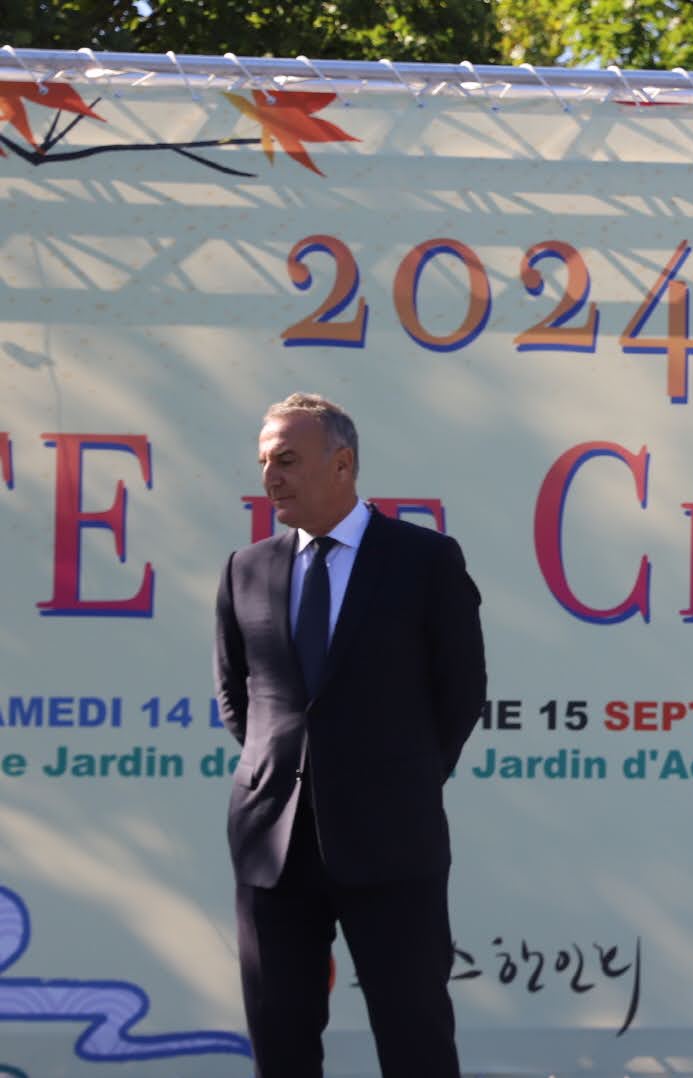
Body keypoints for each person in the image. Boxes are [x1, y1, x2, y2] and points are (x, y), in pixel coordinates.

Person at [215, 393, 486, 1077]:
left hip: (391, 841)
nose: (271, 476)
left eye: (286, 460)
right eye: (264, 462)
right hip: (273, 846)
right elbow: (239, 699)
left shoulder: (424, 560)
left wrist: (400, 779)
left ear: (342, 465)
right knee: (281, 1045)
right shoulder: (246, 568)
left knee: (415, 1039)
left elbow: (460, 693)